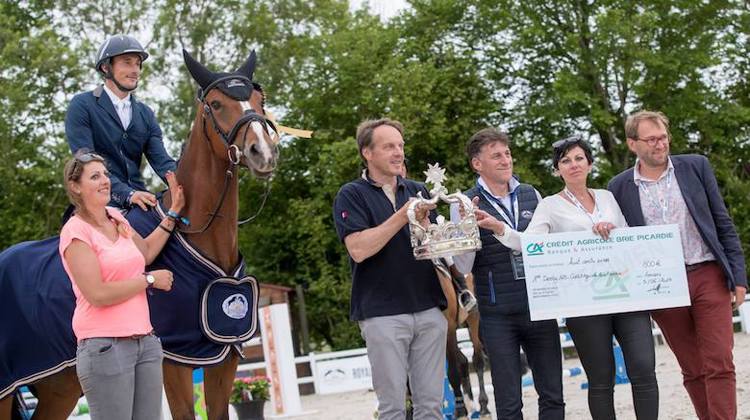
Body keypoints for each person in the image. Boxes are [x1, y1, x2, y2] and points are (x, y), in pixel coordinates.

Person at [476, 136, 659, 419]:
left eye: (579, 158)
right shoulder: (549, 205)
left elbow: (629, 244)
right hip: (585, 302)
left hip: (625, 296)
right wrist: (500, 228)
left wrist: (614, 230)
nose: (573, 165)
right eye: (565, 160)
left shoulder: (608, 197)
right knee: (600, 379)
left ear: (589, 164)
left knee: (644, 368)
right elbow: (529, 245)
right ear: (557, 169)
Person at [609, 110, 746, 420]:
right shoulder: (619, 186)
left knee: (719, 361)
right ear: (633, 144)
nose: (660, 144)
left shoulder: (696, 167)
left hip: (707, 272)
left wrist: (738, 277)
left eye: (663, 137)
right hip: (663, 286)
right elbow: (620, 240)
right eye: (651, 139)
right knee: (693, 368)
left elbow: (722, 223)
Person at [332, 118, 447, 420]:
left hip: (428, 308)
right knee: (393, 409)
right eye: (388, 147)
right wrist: (404, 214)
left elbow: (433, 249)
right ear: (367, 153)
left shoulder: (419, 189)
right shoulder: (351, 194)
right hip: (382, 314)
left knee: (432, 408)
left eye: (400, 146)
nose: (398, 153)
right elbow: (358, 249)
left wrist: (446, 229)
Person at [59, 150, 184, 419]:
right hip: (105, 347)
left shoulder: (117, 217)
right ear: (75, 186)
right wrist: (149, 279)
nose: (105, 180)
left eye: (105, 174)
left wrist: (172, 214)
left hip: (146, 343)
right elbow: (98, 294)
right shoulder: (75, 231)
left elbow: (147, 252)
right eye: (95, 176)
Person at [452, 128, 565, 420]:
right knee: (509, 403)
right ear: (477, 164)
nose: (505, 160)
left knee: (553, 396)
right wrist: (467, 230)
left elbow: (547, 249)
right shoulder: (464, 204)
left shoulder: (532, 194)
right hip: (497, 314)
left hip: (539, 307)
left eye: (507, 154)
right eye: (496, 156)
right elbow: (463, 268)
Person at [65, 34, 176, 211]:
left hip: (141, 201)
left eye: (138, 64)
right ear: (105, 67)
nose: (136, 70)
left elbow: (163, 163)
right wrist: (127, 194)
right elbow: (86, 162)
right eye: (127, 62)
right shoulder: (82, 105)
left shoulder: (146, 114)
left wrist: (189, 185)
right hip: (100, 204)